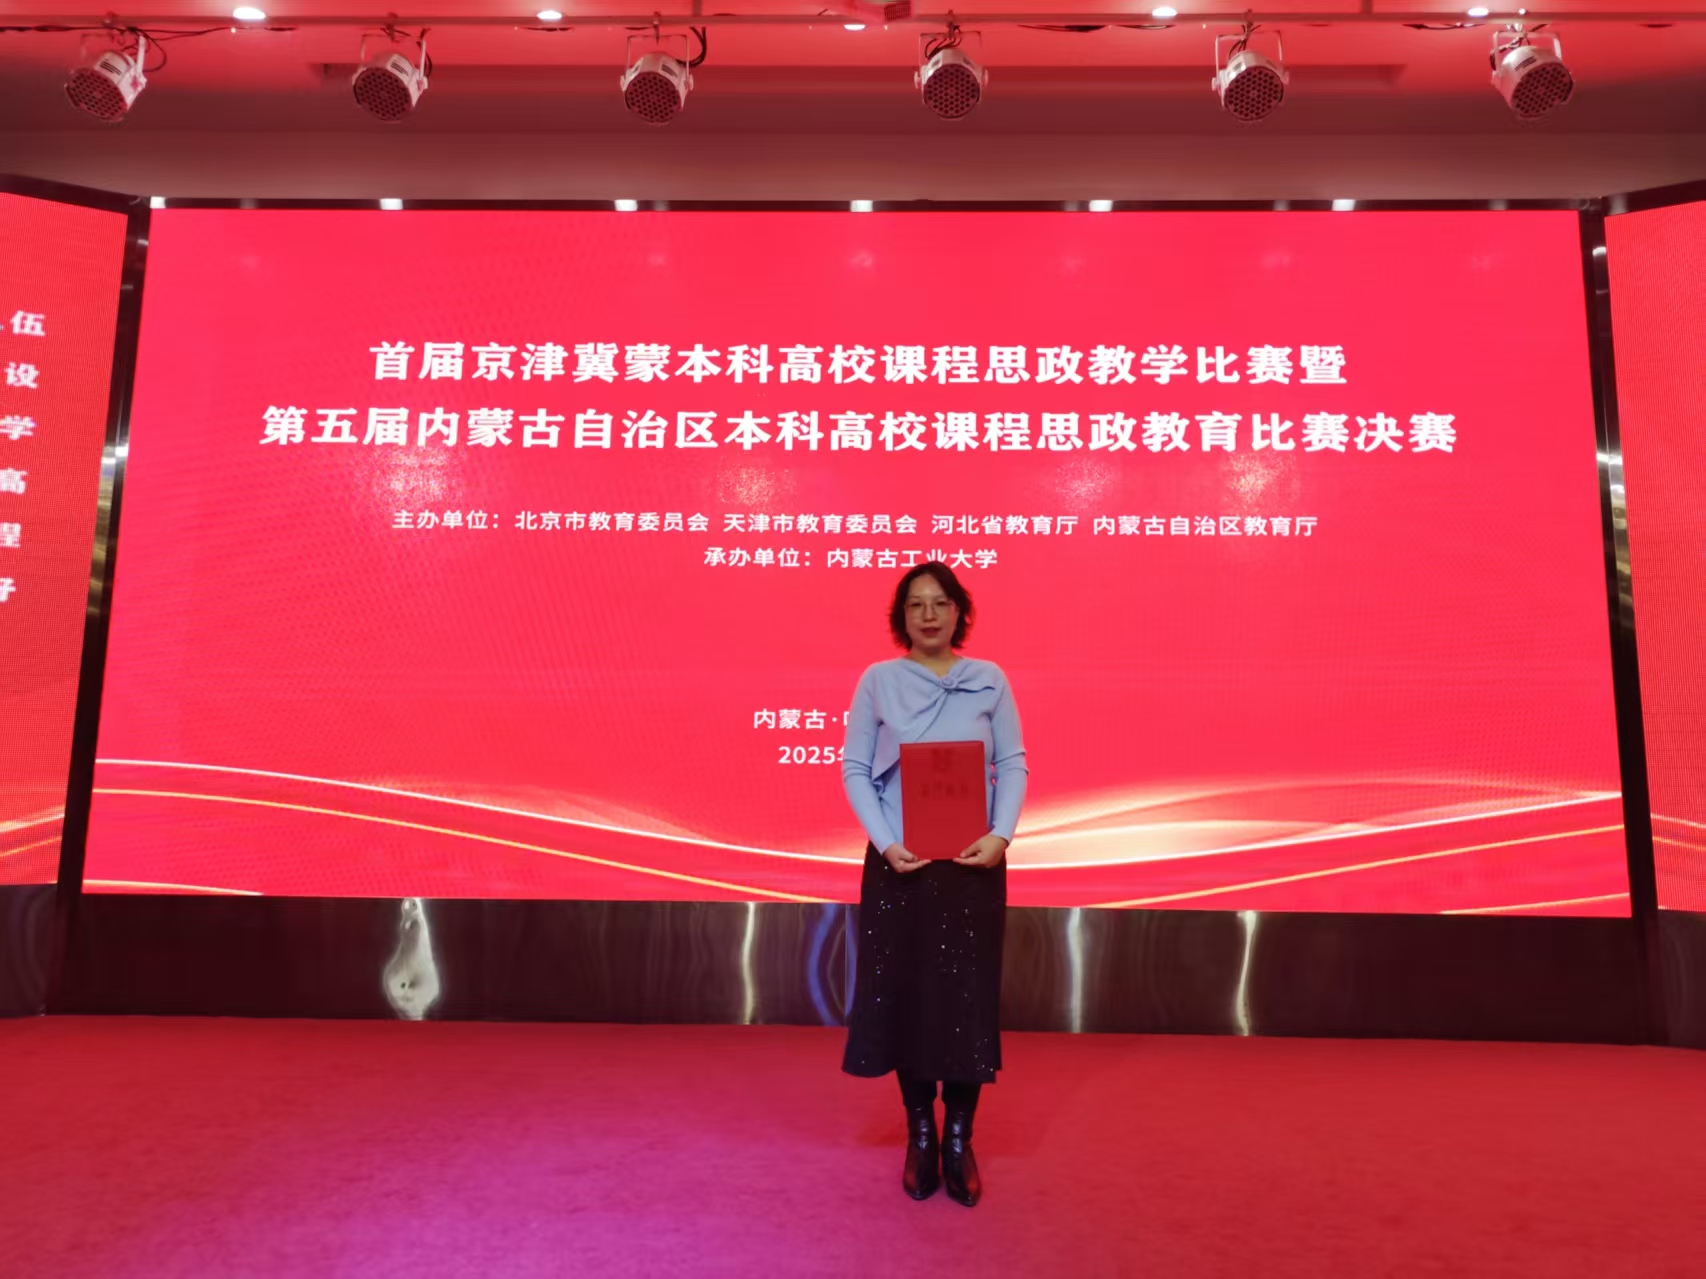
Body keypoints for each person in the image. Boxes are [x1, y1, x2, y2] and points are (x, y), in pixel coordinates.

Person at [840, 561, 1027, 1207]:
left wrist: (1001, 835)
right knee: (907, 999)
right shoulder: (878, 680)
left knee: (964, 1002)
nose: (928, 614)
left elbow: (1012, 763)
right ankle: (921, 1133)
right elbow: (855, 767)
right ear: (902, 616)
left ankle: (958, 1138)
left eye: (940, 603)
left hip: (973, 866)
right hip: (901, 866)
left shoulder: (990, 678)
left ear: (958, 613)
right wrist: (885, 842)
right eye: (916, 603)